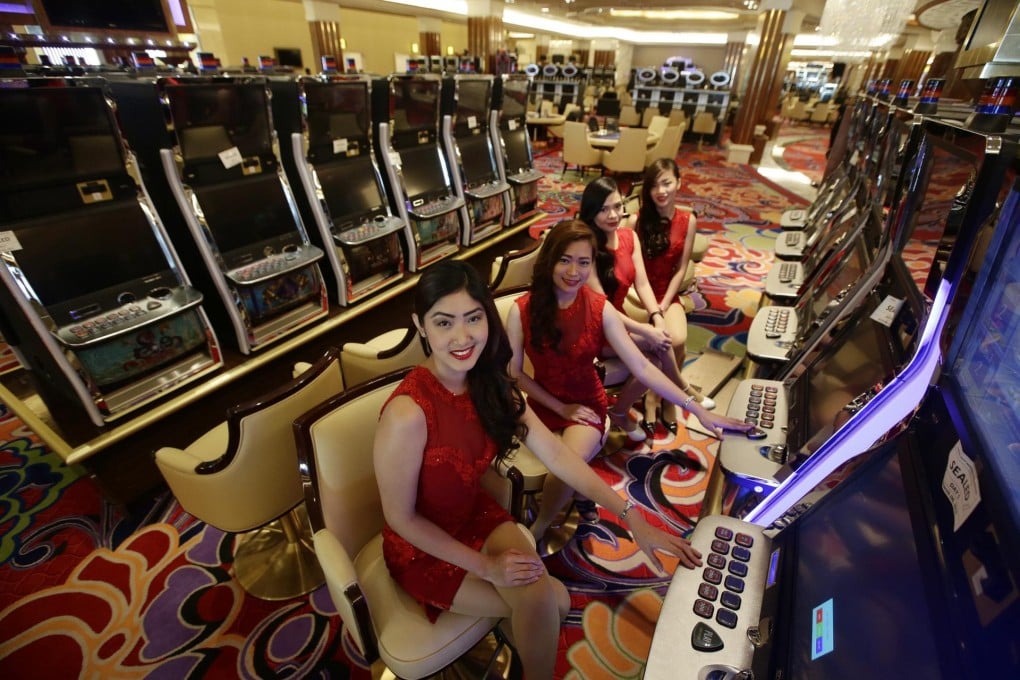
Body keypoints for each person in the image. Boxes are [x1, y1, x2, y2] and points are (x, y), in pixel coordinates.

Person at [375, 260, 704, 680]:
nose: (462, 338)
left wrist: (632, 518)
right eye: (444, 322)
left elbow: (561, 457)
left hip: (475, 515)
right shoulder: (408, 413)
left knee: (544, 601)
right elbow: (400, 518)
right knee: (551, 602)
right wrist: (486, 568)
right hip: (421, 545)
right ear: (420, 326)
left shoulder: (492, 383)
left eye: (473, 318)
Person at [504, 221, 752, 542]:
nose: (573, 271)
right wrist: (559, 408)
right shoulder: (521, 309)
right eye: (565, 259)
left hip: (587, 405)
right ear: (549, 259)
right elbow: (515, 373)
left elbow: (642, 368)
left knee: (564, 466)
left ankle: (538, 530)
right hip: (542, 404)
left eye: (584, 262)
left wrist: (696, 409)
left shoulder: (599, 308)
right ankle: (580, 494)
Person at [578, 177, 712, 440]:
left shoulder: (629, 237)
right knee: (658, 345)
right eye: (604, 209)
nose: (614, 215)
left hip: (620, 320)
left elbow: (642, 283)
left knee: (656, 350)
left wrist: (656, 316)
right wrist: (645, 330)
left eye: (617, 207)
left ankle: (620, 410)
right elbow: (599, 305)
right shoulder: (586, 246)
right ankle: (683, 388)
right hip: (594, 325)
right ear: (591, 211)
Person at [633, 158, 715, 432]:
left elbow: (680, 269)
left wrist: (665, 303)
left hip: (666, 293)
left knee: (677, 338)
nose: (661, 190)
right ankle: (664, 395)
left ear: (678, 183)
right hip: (636, 294)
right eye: (655, 184)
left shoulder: (687, 220)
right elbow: (631, 267)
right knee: (664, 341)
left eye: (667, 182)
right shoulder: (637, 220)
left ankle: (660, 394)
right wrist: (650, 305)